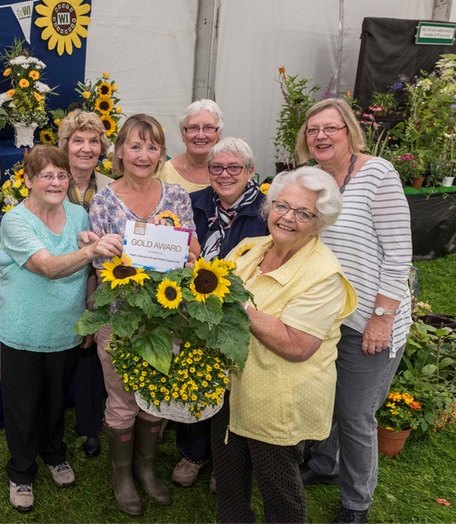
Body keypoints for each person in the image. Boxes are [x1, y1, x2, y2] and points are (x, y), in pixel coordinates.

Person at [211, 167, 357, 523]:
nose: (287, 218)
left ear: (319, 223)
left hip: (275, 400)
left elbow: (297, 345)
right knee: (229, 481)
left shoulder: (324, 276)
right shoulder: (251, 249)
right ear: (269, 207)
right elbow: (213, 291)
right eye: (281, 206)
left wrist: (240, 305)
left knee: (280, 493)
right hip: (229, 389)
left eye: (303, 213)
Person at [297, 98, 413, 524]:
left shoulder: (378, 174)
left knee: (354, 413)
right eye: (313, 130)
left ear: (349, 132)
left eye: (331, 128)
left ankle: (356, 503)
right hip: (325, 317)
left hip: (369, 318)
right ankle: (325, 466)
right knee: (327, 400)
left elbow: (400, 254)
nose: (321, 136)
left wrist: (381, 317)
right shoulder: (308, 179)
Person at [0, 145, 123, 513]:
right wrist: (92, 250)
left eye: (61, 175)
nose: (55, 182)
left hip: (65, 328)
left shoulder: (79, 213)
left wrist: (88, 315)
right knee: (23, 406)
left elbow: (86, 273)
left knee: (55, 401)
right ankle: (20, 472)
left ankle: (54, 454)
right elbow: (49, 267)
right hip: (23, 330)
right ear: (28, 180)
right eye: (46, 175)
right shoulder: (15, 220)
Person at [88, 114, 201, 516]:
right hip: (119, 317)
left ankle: (146, 468)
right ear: (119, 152)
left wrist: (185, 252)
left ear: (161, 153)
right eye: (135, 146)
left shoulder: (176, 197)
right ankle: (121, 476)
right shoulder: (103, 201)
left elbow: (193, 251)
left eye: (151, 147)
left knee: (156, 396)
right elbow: (102, 266)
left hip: (167, 317)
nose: (143, 154)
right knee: (121, 400)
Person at [172, 137, 269, 491]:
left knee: (233, 386)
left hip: (242, 312)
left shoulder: (268, 211)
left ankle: (225, 463)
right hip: (194, 308)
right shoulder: (192, 203)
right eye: (217, 167)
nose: (225, 174)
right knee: (196, 378)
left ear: (249, 171)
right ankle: (193, 453)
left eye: (234, 168)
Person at [58, 110, 112, 458]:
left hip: (99, 283)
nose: (86, 147)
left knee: (90, 351)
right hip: (57, 282)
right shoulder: (50, 181)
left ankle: (90, 426)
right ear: (65, 145)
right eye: (78, 140)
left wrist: (93, 302)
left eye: (94, 141)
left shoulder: (110, 187)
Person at [156, 99, 224, 194]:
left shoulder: (229, 175)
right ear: (183, 135)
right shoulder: (162, 172)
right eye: (193, 128)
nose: (200, 135)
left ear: (219, 134)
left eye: (208, 127)